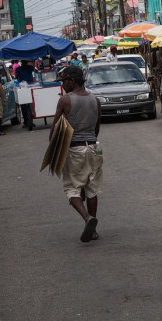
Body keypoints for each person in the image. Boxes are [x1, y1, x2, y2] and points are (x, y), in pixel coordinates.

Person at [51, 66, 103, 243]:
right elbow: (96, 127)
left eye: (64, 81)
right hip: (94, 147)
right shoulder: (95, 100)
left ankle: (88, 218)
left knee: (71, 188)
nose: (63, 85)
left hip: (75, 149)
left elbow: (56, 128)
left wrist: (53, 151)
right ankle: (93, 230)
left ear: (72, 81)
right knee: (91, 188)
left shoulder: (65, 100)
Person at [15, 60, 36, 131]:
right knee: (30, 104)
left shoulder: (18, 69)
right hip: (30, 87)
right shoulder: (30, 67)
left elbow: (16, 77)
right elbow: (35, 71)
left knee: (23, 105)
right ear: (27, 62)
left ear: (21, 63)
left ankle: (26, 122)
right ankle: (30, 121)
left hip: (22, 88)